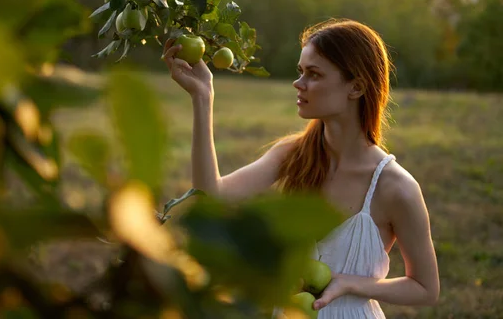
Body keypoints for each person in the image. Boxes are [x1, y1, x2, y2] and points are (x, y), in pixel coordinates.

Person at [161, 19, 440, 318]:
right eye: (300, 71)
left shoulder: (395, 186)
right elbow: (210, 195)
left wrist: (352, 284)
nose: (298, 83)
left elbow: (425, 288)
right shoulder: (292, 156)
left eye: (314, 74)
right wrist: (203, 97)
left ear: (356, 87)